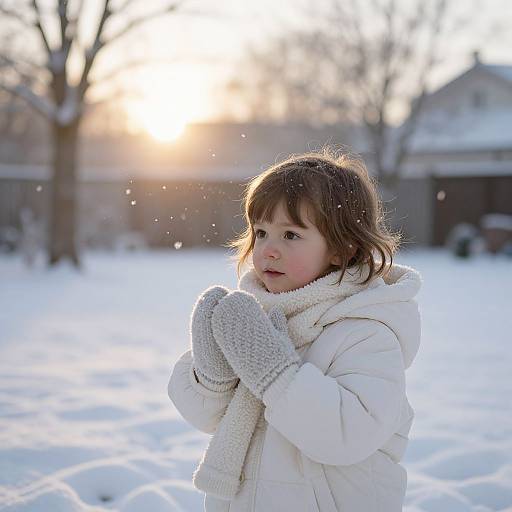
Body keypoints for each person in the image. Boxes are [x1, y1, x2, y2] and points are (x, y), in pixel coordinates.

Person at [168, 148, 422, 512]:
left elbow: (345, 435)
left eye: (290, 235)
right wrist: (212, 375)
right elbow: (206, 418)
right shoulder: (251, 322)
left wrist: (276, 374)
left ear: (341, 248)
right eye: (261, 232)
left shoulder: (366, 333)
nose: (269, 250)